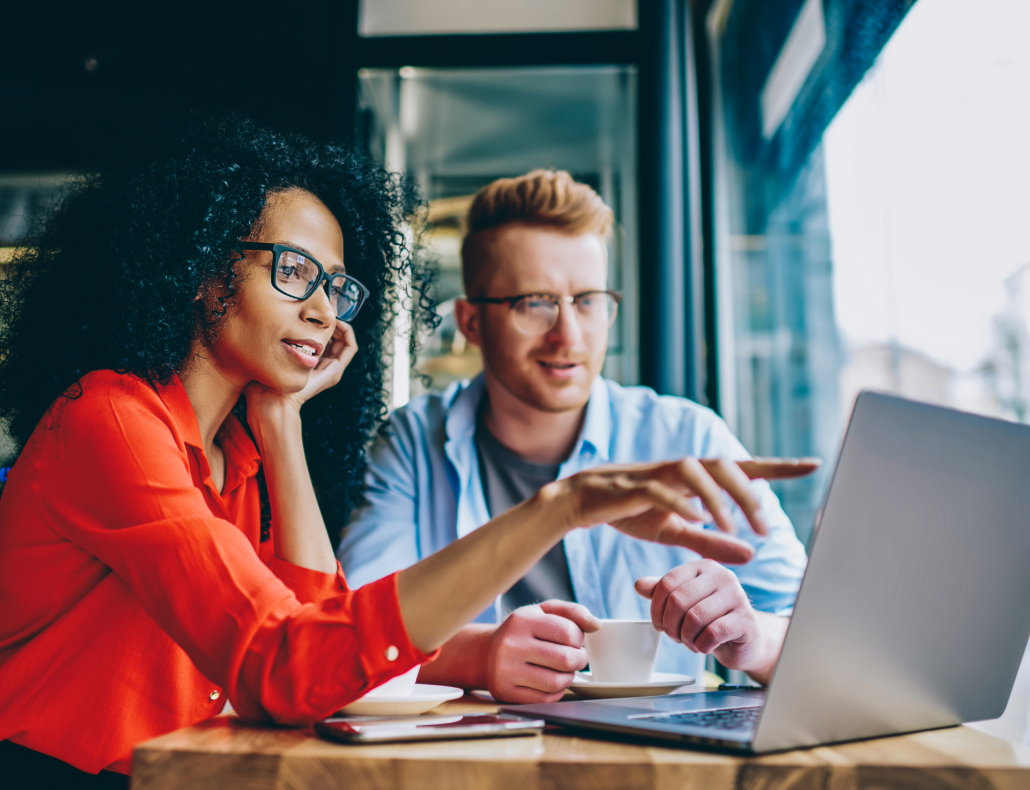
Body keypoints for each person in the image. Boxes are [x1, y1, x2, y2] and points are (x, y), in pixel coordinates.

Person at [0, 119, 810, 787]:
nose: (323, 308)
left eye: (337, 286)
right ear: (203, 276)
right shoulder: (109, 419)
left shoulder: (237, 456)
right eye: (294, 272)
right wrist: (559, 508)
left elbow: (311, 637)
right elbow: (291, 666)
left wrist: (281, 426)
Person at [338, 170, 815, 703]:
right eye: (534, 303)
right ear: (471, 322)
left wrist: (752, 638)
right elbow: (351, 632)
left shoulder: (687, 436)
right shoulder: (412, 442)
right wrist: (480, 655)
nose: (569, 334)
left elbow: (820, 632)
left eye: (588, 300)